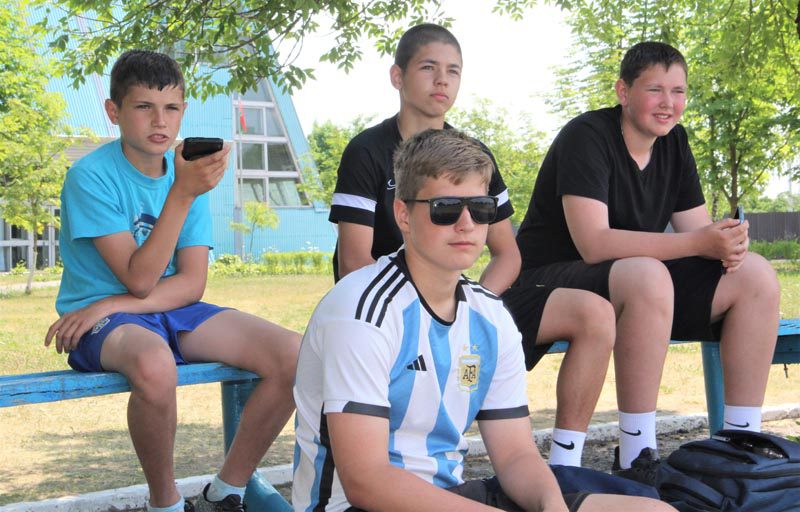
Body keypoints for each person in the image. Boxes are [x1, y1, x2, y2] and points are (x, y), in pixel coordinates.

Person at [292, 128, 674, 512]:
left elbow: (515, 455)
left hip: (452, 496)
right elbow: (367, 481)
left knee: (653, 510)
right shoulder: (362, 311)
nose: (466, 223)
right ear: (403, 215)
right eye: (445, 208)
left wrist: (550, 505)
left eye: (481, 209)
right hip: (358, 506)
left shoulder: (490, 315)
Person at [328, 22, 616, 467]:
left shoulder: (473, 154)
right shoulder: (367, 151)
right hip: (393, 311)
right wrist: (432, 313)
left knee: (595, 313)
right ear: (397, 76)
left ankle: (565, 462)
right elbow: (353, 261)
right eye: (428, 67)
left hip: (462, 297)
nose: (442, 80)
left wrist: (473, 305)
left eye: (453, 71)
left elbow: (508, 252)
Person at [510, 41, 780, 483]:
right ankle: (638, 453)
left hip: (636, 284)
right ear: (624, 91)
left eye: (679, 91)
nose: (668, 103)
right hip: (549, 280)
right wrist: (699, 241)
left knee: (755, 274)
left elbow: (695, 231)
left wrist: (726, 242)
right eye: (655, 90)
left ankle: (739, 446)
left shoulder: (675, 142)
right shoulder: (587, 136)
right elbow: (594, 243)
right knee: (647, 274)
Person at [44, 50, 299, 512]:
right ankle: (165, 503)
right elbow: (140, 279)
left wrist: (115, 302)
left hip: (151, 308)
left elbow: (192, 284)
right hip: (95, 322)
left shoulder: (186, 176)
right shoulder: (90, 176)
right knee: (155, 365)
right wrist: (182, 193)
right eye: (144, 106)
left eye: (171, 108)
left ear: (183, 110)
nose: (160, 121)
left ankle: (227, 491)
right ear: (114, 111)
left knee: (295, 354)